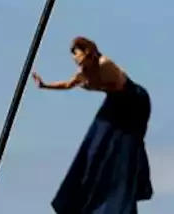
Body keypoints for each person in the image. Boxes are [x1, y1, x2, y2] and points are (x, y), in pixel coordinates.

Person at [33, 37, 153, 214]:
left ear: (87, 51)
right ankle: (84, 202)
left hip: (133, 102)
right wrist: (44, 85)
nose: (74, 58)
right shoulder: (84, 71)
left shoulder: (105, 64)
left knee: (124, 151)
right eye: (73, 55)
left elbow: (120, 85)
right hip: (114, 104)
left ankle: (124, 197)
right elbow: (68, 84)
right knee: (94, 149)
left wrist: (94, 83)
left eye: (77, 53)